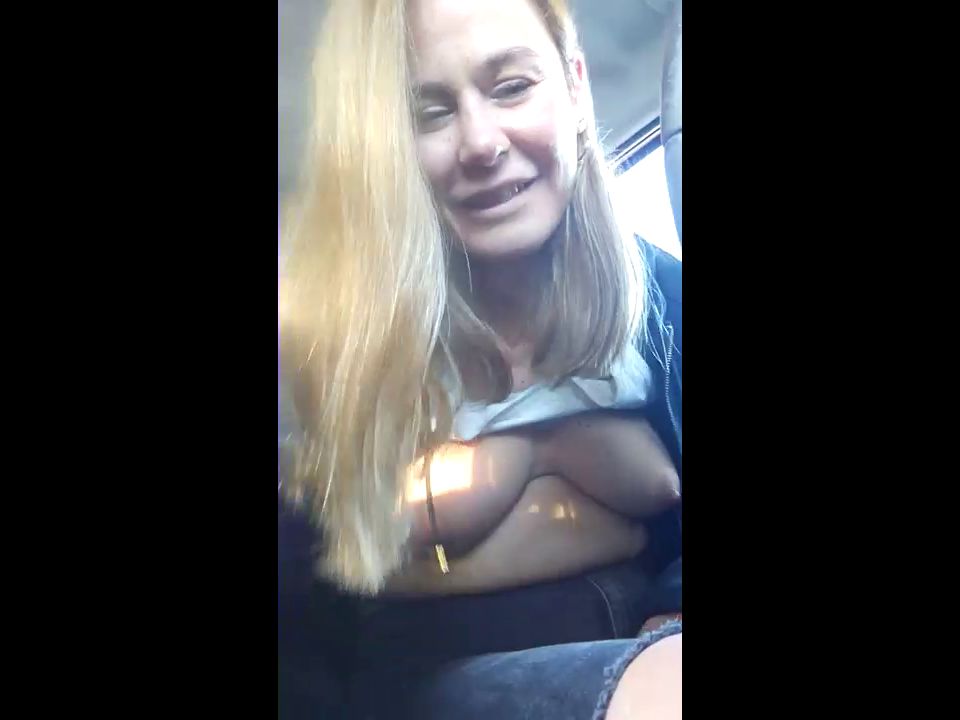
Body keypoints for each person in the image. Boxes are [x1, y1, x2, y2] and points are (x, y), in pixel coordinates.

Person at [278, 0, 682, 717]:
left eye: (511, 87)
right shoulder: (333, 346)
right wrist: (548, 455)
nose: (481, 143)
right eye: (429, 113)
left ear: (576, 86)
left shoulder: (661, 300)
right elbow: (331, 577)